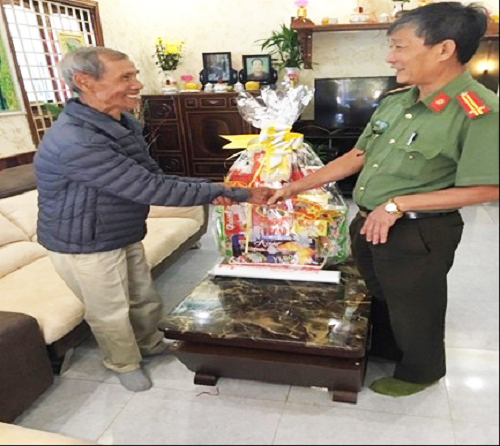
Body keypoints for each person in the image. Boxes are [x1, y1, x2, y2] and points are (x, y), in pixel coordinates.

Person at [268, 2, 499, 397]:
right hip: (369, 221)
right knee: (380, 293)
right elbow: (357, 155)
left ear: (444, 49)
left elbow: (489, 188)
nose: (391, 57)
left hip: (418, 232)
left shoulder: (479, 111)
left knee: (416, 307)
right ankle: (389, 349)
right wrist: (295, 186)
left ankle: (421, 372)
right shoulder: (398, 101)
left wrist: (398, 205)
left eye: (400, 47)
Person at [34, 47, 272, 392]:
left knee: (142, 296)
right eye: (125, 77)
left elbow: (154, 177)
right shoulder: (77, 139)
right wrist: (232, 192)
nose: (137, 84)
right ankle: (122, 361)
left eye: (134, 74)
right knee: (110, 310)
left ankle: (149, 344)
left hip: (120, 228)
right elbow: (149, 188)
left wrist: (219, 190)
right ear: (85, 82)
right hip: (83, 240)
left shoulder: (121, 122)